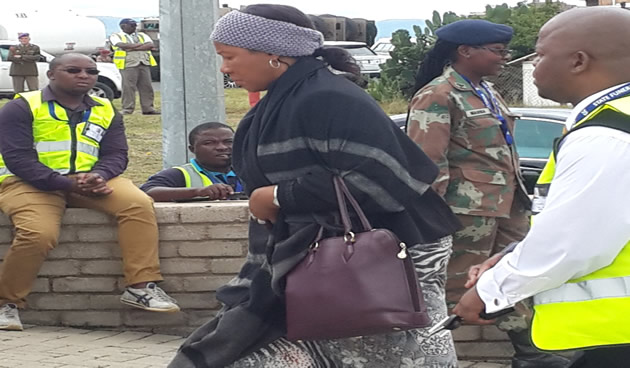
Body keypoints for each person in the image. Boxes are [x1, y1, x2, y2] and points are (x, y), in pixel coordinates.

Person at [169, 4, 462, 368]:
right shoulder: (281, 103)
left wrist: (277, 196)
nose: (224, 68)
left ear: (274, 53)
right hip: (327, 254)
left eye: (230, 56)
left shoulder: (327, 98)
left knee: (396, 354)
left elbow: (383, 178)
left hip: (387, 254)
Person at [454, 7, 630, 368]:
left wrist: (490, 291)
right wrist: (513, 252)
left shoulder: (606, 136)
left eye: (541, 54)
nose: (533, 64)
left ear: (579, 61)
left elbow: (572, 243)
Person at [406, 19, 567, 368]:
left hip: (506, 206)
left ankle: (533, 353)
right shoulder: (438, 94)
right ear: (465, 51)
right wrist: (435, 219)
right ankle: (434, 357)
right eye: (497, 51)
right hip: (465, 212)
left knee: (513, 278)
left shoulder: (485, 91)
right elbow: (428, 163)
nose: (503, 58)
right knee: (454, 287)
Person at [0, 53, 179, 332]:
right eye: (73, 70)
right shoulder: (21, 107)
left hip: (87, 180)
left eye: (92, 71)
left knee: (138, 203)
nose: (84, 76)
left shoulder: (104, 108)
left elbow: (117, 153)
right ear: (51, 74)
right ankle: (7, 303)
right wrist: (67, 184)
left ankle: (140, 287)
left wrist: (100, 175)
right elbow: (18, 158)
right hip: (28, 182)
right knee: (38, 234)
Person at [140, 122, 243, 202]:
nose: (222, 147)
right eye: (209, 143)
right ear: (192, 149)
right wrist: (198, 192)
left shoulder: (250, 171)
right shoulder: (180, 174)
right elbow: (146, 192)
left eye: (228, 142)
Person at [109, 18, 159, 115]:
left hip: (143, 63)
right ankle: (127, 109)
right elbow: (121, 45)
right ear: (123, 26)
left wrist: (131, 47)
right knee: (128, 87)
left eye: (135, 25)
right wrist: (139, 46)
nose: (135, 27)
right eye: (131, 25)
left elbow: (150, 45)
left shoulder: (142, 35)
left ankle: (148, 108)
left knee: (147, 87)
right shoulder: (116, 36)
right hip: (128, 64)